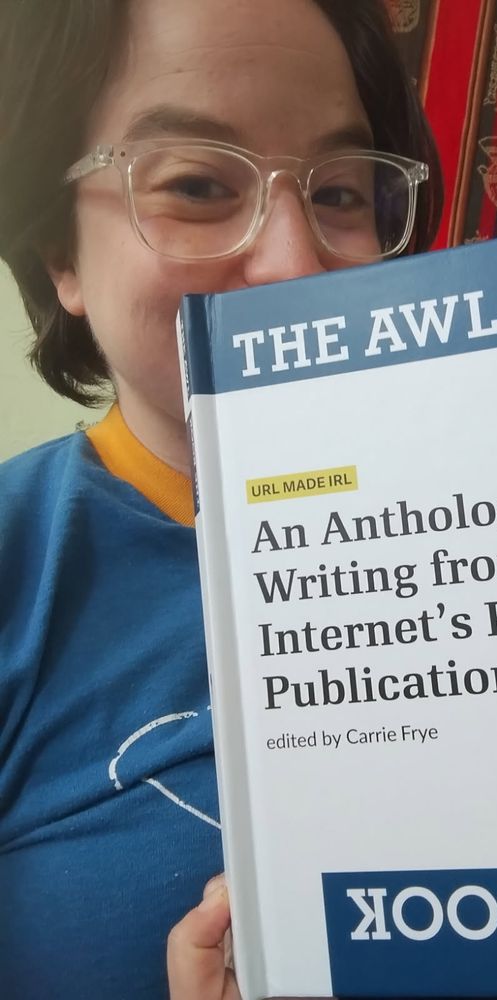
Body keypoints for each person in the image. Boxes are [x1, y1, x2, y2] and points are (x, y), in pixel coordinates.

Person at [0, 1, 442, 998]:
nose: (291, 263)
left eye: (339, 191)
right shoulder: (20, 561)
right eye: (198, 184)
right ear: (60, 252)